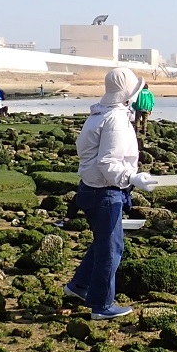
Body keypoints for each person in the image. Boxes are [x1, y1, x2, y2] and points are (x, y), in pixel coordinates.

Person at [67, 67, 157, 321]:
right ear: (127, 94)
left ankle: (79, 285)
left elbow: (91, 154)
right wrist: (132, 178)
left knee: (102, 243)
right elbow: (108, 163)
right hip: (105, 192)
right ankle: (102, 305)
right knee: (111, 249)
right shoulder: (116, 119)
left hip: (89, 188)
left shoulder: (98, 114)